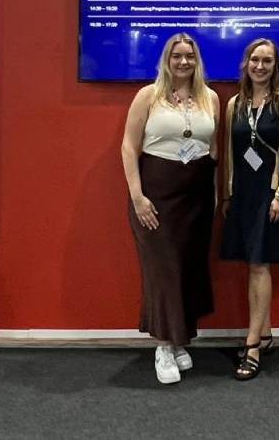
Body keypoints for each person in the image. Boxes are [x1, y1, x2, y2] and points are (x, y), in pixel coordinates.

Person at [120, 33, 221, 384]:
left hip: (197, 198)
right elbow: (129, 148)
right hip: (156, 198)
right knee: (164, 269)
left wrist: (218, 196)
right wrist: (137, 197)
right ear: (166, 59)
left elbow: (213, 151)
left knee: (189, 269)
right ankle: (163, 346)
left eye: (189, 56)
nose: (183, 62)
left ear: (197, 60)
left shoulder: (210, 98)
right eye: (177, 56)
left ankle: (180, 341)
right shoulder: (148, 96)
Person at [220, 39, 279, 381]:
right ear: (246, 63)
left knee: (259, 265)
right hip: (243, 196)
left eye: (267, 60)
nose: (260, 66)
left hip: (271, 195)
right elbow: (228, 151)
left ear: (276, 66)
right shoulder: (234, 104)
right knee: (253, 263)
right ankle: (266, 334)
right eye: (255, 59)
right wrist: (226, 195)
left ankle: (253, 345)